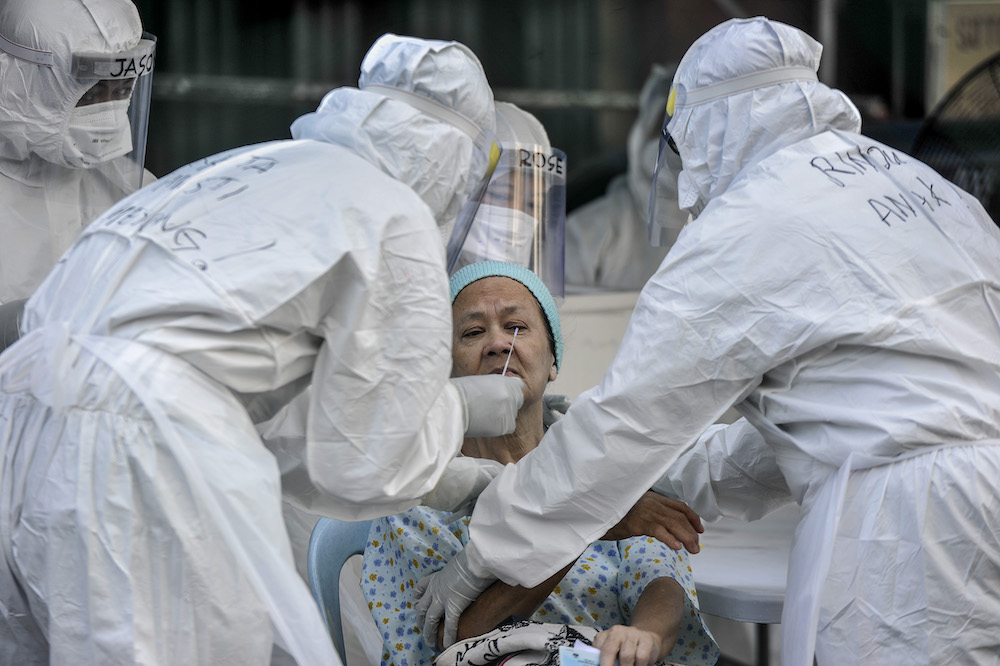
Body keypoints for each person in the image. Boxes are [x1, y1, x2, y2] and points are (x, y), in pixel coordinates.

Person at [416, 17, 1000, 666]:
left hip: (912, 532)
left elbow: (624, 425)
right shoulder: (920, 186)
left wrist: (485, 551)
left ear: (713, 126)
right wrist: (676, 477)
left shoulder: (748, 222)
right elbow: (845, 414)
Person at [0, 33, 526, 665]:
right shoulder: (392, 214)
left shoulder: (251, 169)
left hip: (22, 419)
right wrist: (455, 412)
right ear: (457, 159)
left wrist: (453, 474)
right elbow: (359, 464)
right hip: (143, 442)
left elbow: (271, 421)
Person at [363, 260, 718, 666]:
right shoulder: (419, 496)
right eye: (473, 332)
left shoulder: (605, 457)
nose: (498, 344)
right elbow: (454, 642)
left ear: (552, 361)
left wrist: (644, 636)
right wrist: (589, 519)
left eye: (516, 327)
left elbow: (658, 573)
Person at [0, 0, 156, 305]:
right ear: (20, 81)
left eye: (122, 89)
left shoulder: (136, 192)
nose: (110, 116)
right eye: (92, 93)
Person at [564, 64, 684, 291]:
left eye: (687, 129)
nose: (673, 143)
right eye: (664, 127)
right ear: (643, 130)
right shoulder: (593, 227)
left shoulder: (731, 226)